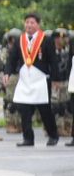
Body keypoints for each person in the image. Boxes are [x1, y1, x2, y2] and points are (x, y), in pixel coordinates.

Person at [6, 13, 58, 146]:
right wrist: (7, 72)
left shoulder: (45, 40)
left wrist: (56, 78)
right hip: (25, 79)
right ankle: (28, 138)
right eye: (27, 22)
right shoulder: (20, 39)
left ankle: (53, 135)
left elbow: (53, 60)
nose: (29, 25)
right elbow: (12, 58)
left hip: (40, 79)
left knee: (45, 110)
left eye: (32, 22)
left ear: (38, 25)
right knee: (24, 109)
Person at [51, 30, 72, 146]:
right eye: (59, 38)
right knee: (55, 107)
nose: (61, 40)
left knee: (65, 106)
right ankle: (55, 128)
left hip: (65, 82)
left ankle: (65, 127)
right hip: (55, 82)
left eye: (63, 38)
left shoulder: (66, 52)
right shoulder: (50, 52)